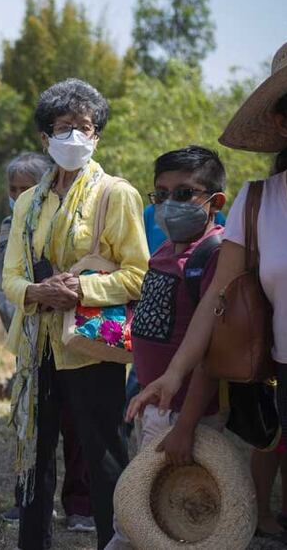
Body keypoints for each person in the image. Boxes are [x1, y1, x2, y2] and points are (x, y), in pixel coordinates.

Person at [128, 41, 287, 538]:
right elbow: (215, 304)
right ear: (283, 121)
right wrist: (172, 377)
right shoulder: (259, 202)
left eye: (183, 193)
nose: (168, 204)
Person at [3, 78, 148, 550]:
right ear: (45, 138)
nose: (74, 138)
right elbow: (10, 277)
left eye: (84, 128)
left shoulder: (116, 194)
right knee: (35, 457)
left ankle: (115, 541)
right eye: (64, 127)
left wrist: (81, 288)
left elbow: (137, 276)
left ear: (97, 135)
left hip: (90, 343)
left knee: (103, 452)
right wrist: (37, 291)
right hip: (37, 346)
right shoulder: (28, 201)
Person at [104, 146, 228, 549]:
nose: (169, 204)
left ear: (215, 201)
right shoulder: (164, 251)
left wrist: (187, 426)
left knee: (153, 521)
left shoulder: (216, 256)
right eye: (161, 193)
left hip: (187, 414)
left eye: (185, 193)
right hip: (156, 406)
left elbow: (212, 355)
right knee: (140, 510)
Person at [0, 152, 95, 532]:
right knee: (31, 423)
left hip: (73, 333)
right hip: (28, 335)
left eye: (26, 188)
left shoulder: (77, 217)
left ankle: (80, 504)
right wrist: (25, 313)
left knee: (77, 426)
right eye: (12, 189)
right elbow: (2, 282)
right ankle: (31, 502)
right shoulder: (10, 223)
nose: (18, 195)